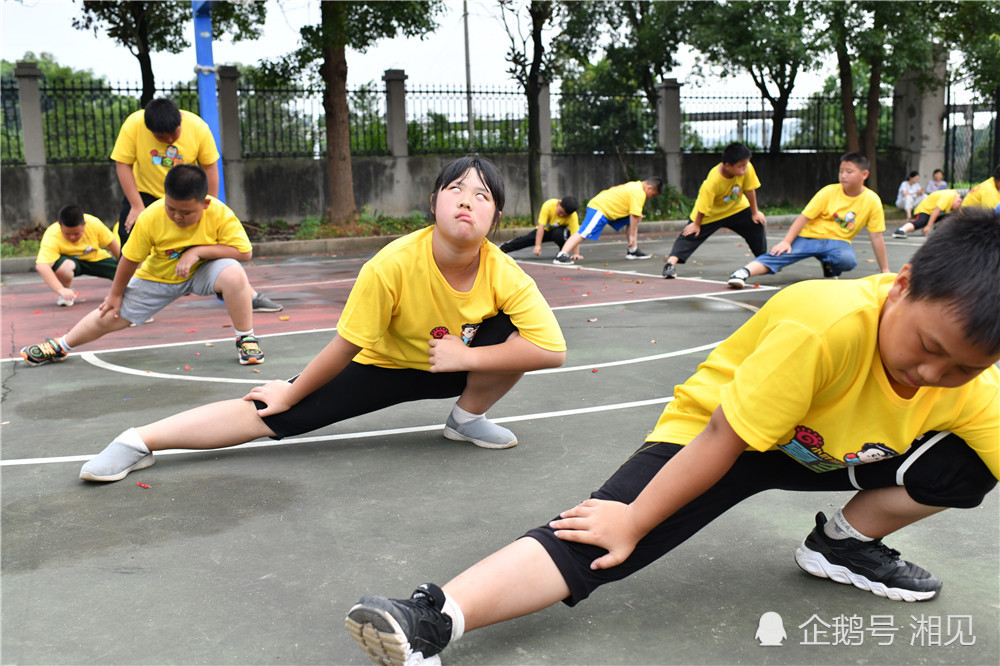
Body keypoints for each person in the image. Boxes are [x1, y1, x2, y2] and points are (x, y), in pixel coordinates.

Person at [346, 208, 1000, 665]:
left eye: (965, 367)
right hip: (722, 432)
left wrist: (959, 378)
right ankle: (429, 619)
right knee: (604, 539)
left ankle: (844, 545)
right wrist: (634, 519)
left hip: (831, 455)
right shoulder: (826, 326)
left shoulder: (970, 389)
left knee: (968, 466)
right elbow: (723, 436)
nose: (933, 373)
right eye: (928, 346)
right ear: (903, 285)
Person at [76, 155, 567, 483]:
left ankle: (466, 419)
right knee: (272, 415)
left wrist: (467, 355)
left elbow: (552, 349)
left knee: (515, 332)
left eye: (482, 196)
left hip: (450, 365)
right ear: (433, 201)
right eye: (456, 189)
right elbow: (346, 345)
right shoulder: (392, 264)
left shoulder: (505, 271)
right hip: (381, 367)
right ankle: (138, 440)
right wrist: (290, 392)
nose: (467, 200)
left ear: (495, 217)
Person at [20, 164, 267, 368]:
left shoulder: (220, 213)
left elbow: (244, 252)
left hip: (203, 272)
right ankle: (60, 346)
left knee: (234, 274)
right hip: (159, 275)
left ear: (205, 204)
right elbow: (129, 259)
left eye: (186, 212)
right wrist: (115, 294)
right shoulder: (152, 216)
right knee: (109, 314)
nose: (177, 217)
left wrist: (197, 252)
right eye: (171, 208)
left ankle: (245, 337)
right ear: (165, 198)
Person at [111, 97, 282, 312]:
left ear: (180, 119)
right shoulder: (133, 125)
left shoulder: (198, 127)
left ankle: (244, 293)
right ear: (148, 129)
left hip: (184, 194)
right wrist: (137, 206)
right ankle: (124, 301)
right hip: (145, 193)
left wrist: (208, 204)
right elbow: (123, 164)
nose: (170, 140)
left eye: (174, 134)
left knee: (211, 242)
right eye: (161, 137)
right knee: (130, 243)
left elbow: (210, 166)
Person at [727, 153, 889, 290]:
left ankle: (830, 267)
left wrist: (885, 270)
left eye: (849, 171)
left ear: (864, 174)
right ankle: (742, 273)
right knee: (779, 254)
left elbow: (876, 236)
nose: (843, 175)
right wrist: (787, 241)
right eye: (841, 171)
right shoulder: (828, 192)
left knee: (847, 260)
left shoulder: (872, 200)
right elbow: (804, 217)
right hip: (809, 238)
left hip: (838, 242)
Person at [662, 142, 766, 279]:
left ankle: (765, 261)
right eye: (741, 166)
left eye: (746, 164)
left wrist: (754, 212)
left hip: (737, 208)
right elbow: (704, 205)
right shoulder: (714, 180)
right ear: (727, 165)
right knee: (691, 233)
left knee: (756, 224)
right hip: (711, 213)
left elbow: (750, 189)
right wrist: (697, 224)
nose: (745, 168)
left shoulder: (747, 168)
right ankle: (670, 264)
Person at [553, 178, 662, 264]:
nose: (650, 197)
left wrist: (633, 237)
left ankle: (633, 251)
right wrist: (632, 237)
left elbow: (635, 216)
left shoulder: (636, 185)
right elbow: (633, 217)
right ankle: (561, 255)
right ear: (649, 188)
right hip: (600, 208)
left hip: (609, 209)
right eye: (652, 194)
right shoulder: (639, 193)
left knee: (636, 217)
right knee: (584, 232)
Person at [34, 205, 120, 307]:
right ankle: (67, 293)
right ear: (60, 226)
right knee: (65, 268)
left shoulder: (94, 223)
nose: (72, 237)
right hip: (70, 262)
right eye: (67, 234)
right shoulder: (52, 234)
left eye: (77, 233)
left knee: (127, 273)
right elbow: (42, 266)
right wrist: (60, 290)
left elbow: (112, 244)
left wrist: (125, 265)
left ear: (84, 225)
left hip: (95, 258)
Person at [498, 196, 579, 257]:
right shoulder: (548, 205)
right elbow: (541, 227)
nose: (561, 215)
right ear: (558, 203)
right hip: (544, 231)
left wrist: (576, 254)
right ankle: (504, 248)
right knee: (527, 239)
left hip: (558, 232)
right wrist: (538, 245)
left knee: (560, 233)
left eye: (564, 215)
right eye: (560, 212)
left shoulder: (573, 216)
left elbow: (575, 236)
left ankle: (563, 253)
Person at [892, 189, 962, 239]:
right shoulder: (948, 196)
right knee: (920, 222)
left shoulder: (955, 195)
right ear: (959, 201)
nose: (954, 209)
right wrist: (928, 226)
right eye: (956, 207)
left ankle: (939, 231)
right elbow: (936, 210)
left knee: (952, 216)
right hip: (925, 210)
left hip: (934, 213)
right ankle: (901, 230)